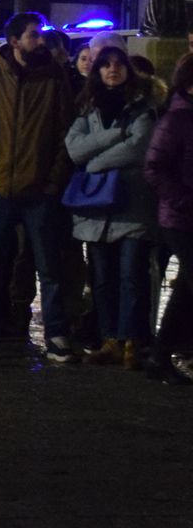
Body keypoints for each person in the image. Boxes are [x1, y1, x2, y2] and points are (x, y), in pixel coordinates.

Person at [0, 13, 78, 362]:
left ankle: (56, 335)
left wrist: (53, 182)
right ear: (14, 41)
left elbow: (63, 133)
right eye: (33, 36)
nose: (40, 41)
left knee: (48, 267)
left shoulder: (53, 77)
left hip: (39, 191)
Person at [64, 43, 157, 368]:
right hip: (97, 208)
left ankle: (133, 340)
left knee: (132, 274)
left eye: (118, 64)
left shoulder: (143, 107)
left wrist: (94, 162)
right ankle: (110, 340)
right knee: (102, 277)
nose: (112, 69)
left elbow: (139, 148)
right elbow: (74, 149)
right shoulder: (88, 108)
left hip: (133, 205)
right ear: (98, 71)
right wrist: (114, 136)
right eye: (106, 64)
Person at [142, 52, 193, 384]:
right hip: (181, 218)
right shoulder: (177, 119)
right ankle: (160, 355)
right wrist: (183, 199)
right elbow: (154, 167)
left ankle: (161, 355)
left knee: (188, 287)